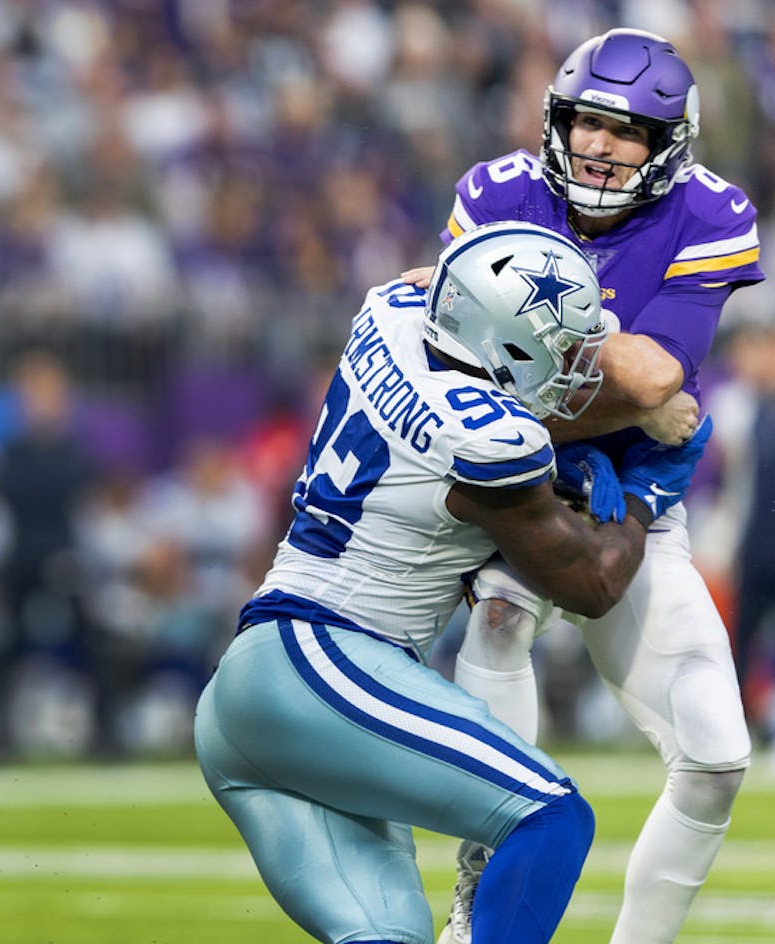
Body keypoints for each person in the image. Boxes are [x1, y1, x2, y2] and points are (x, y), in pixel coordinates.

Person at [194, 220, 713, 944]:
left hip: (251, 689)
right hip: (324, 664)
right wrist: (642, 496)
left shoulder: (387, 312)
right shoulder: (493, 438)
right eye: (563, 350)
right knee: (551, 815)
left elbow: (434, 291)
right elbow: (592, 584)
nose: (577, 366)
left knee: (388, 936)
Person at [400, 29, 764, 944]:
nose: (600, 145)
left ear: (670, 145)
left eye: (628, 130)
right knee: (499, 613)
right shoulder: (497, 192)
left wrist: (536, 352)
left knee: (718, 759)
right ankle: (478, 903)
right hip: (511, 482)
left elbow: (658, 380)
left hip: (636, 498)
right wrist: (624, 399)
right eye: (587, 122)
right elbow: (616, 391)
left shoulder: (713, 214)